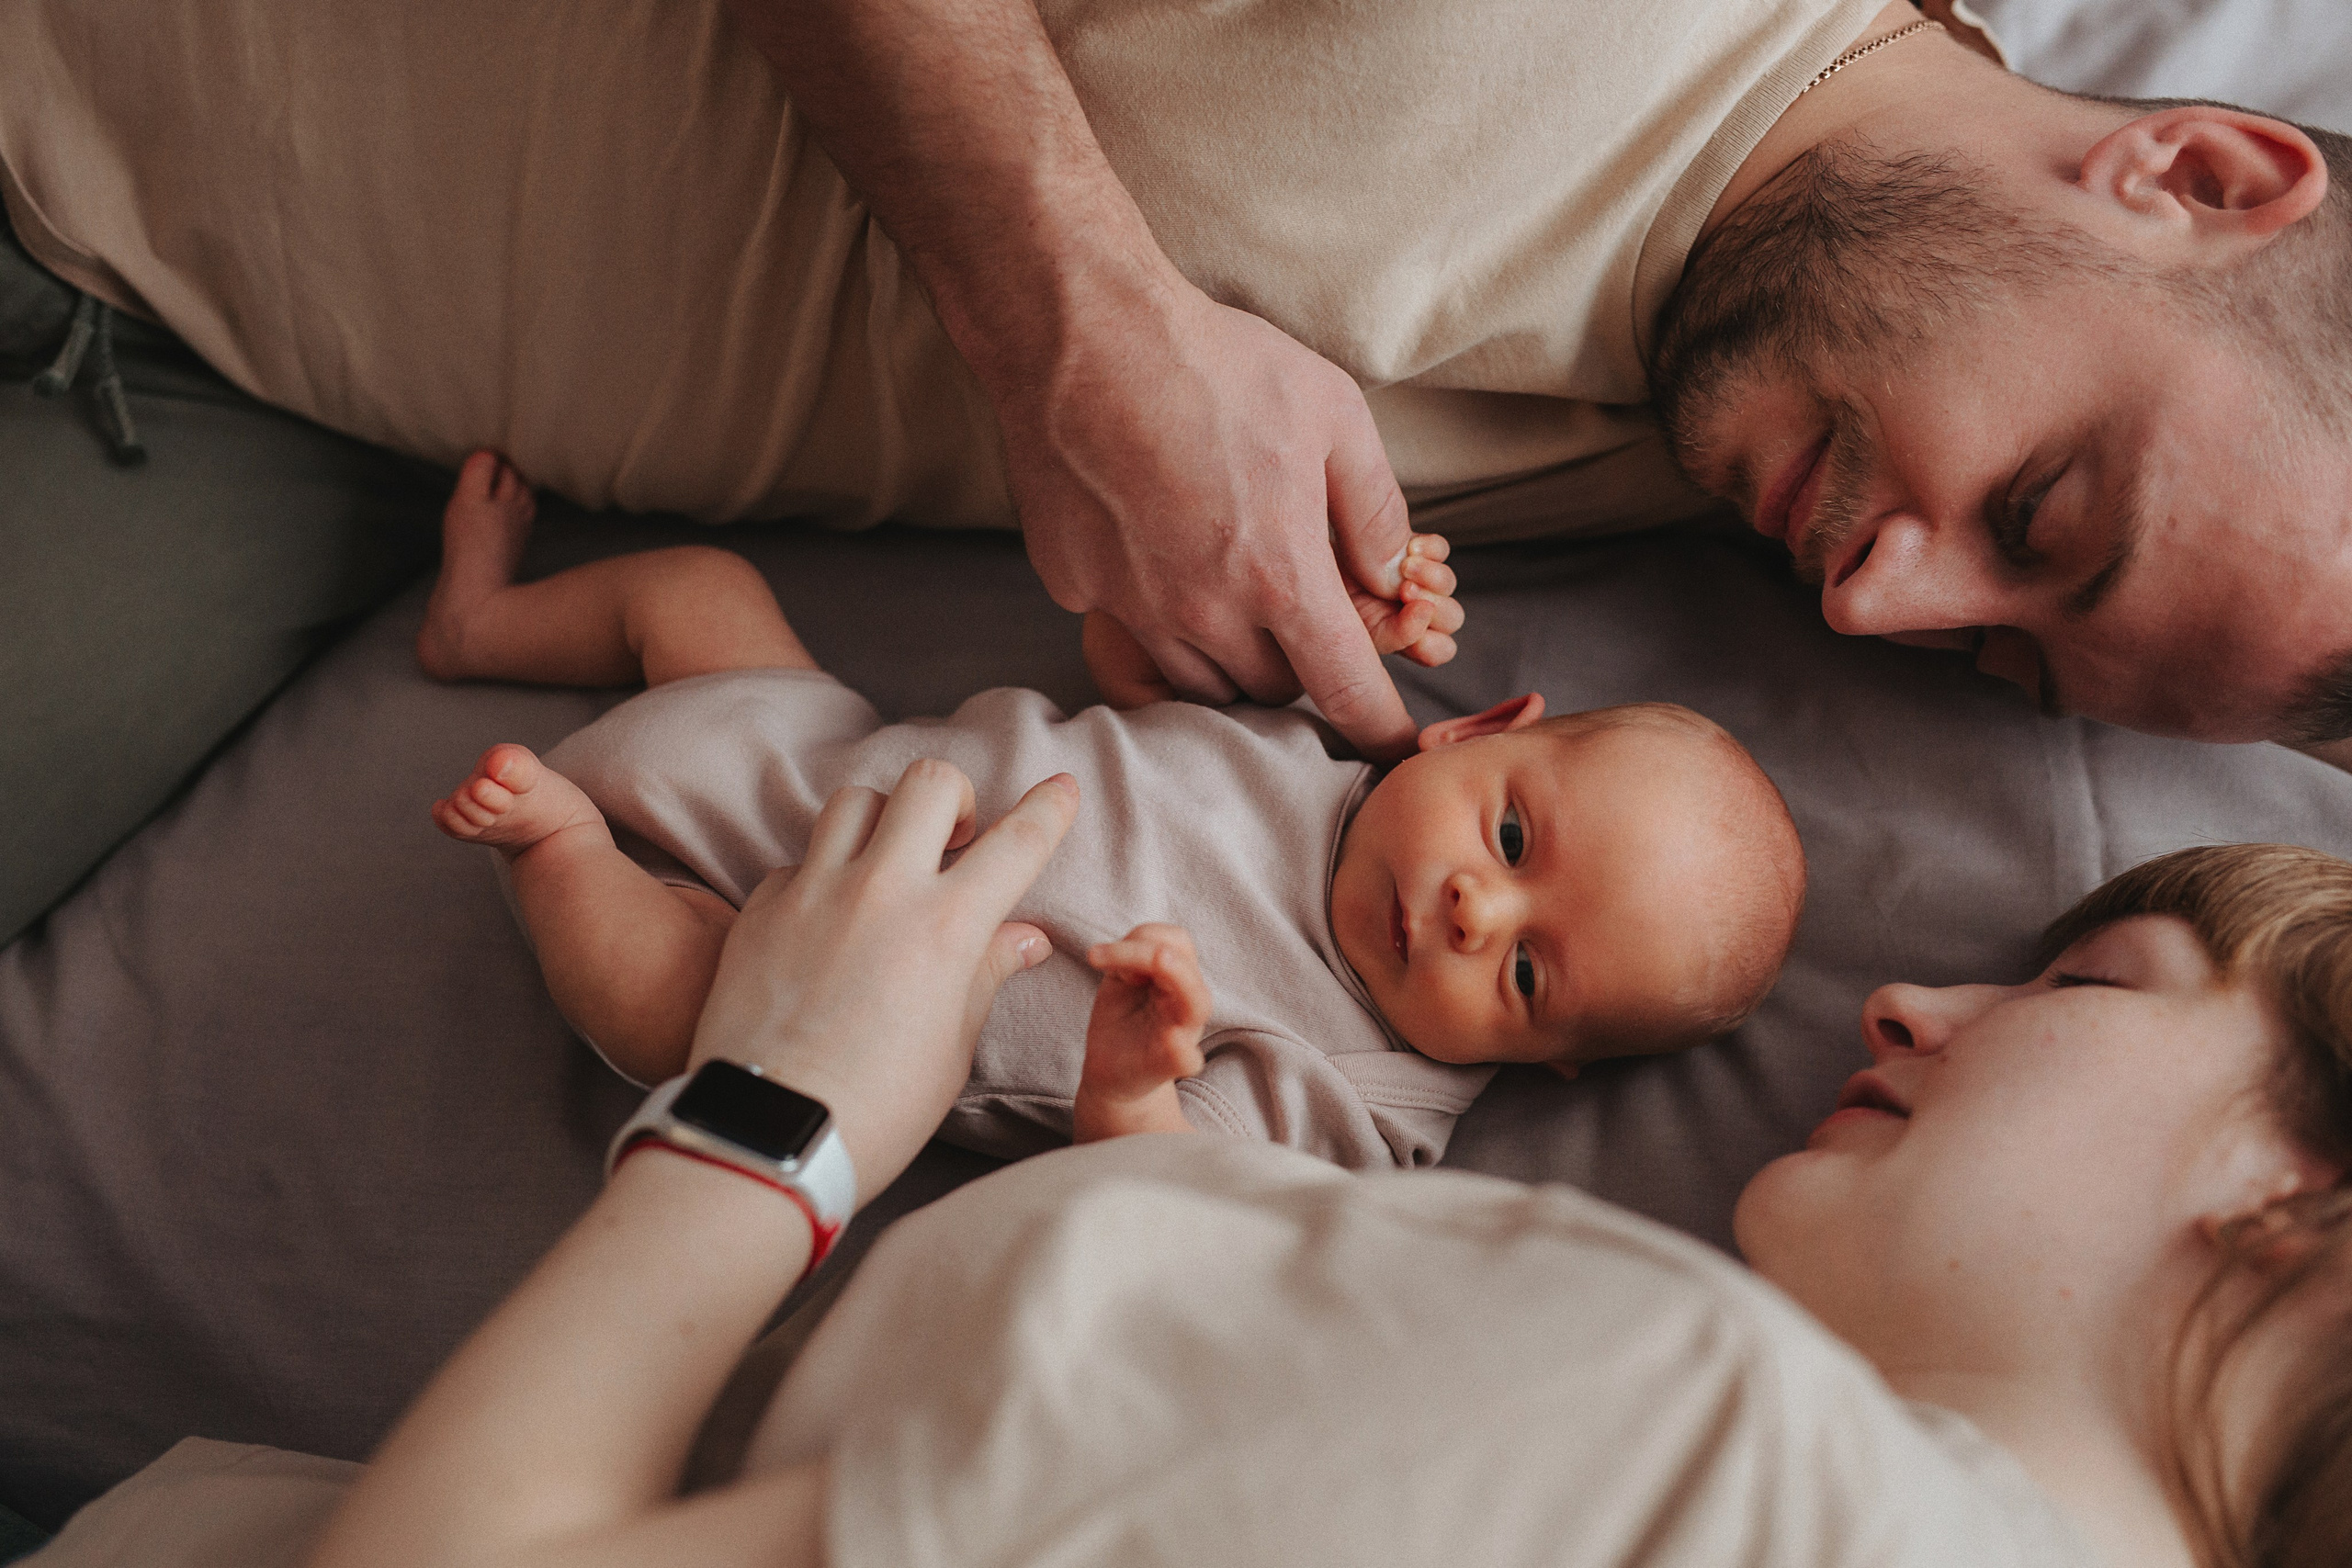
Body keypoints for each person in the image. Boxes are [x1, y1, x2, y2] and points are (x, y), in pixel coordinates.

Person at [159, 820, 2300, 1566]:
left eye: (2091, 981)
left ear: (2308, 1203)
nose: (1918, 997)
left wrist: (783, 1100)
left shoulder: (1680, 1424)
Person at [417, 451, 1804, 1168]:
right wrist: (1338, 599)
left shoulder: (1363, 1098)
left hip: (770, 968)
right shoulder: (1308, 744)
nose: (1469, 905)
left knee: (670, 1013)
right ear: (1479, 729)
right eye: (1510, 841)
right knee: (695, 593)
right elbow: (1127, 668)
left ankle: (563, 846)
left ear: (1548, 1063)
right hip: (810, 741)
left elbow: (1151, 1198)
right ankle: (483, 624)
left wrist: (1138, 1078)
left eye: (1524, 969)